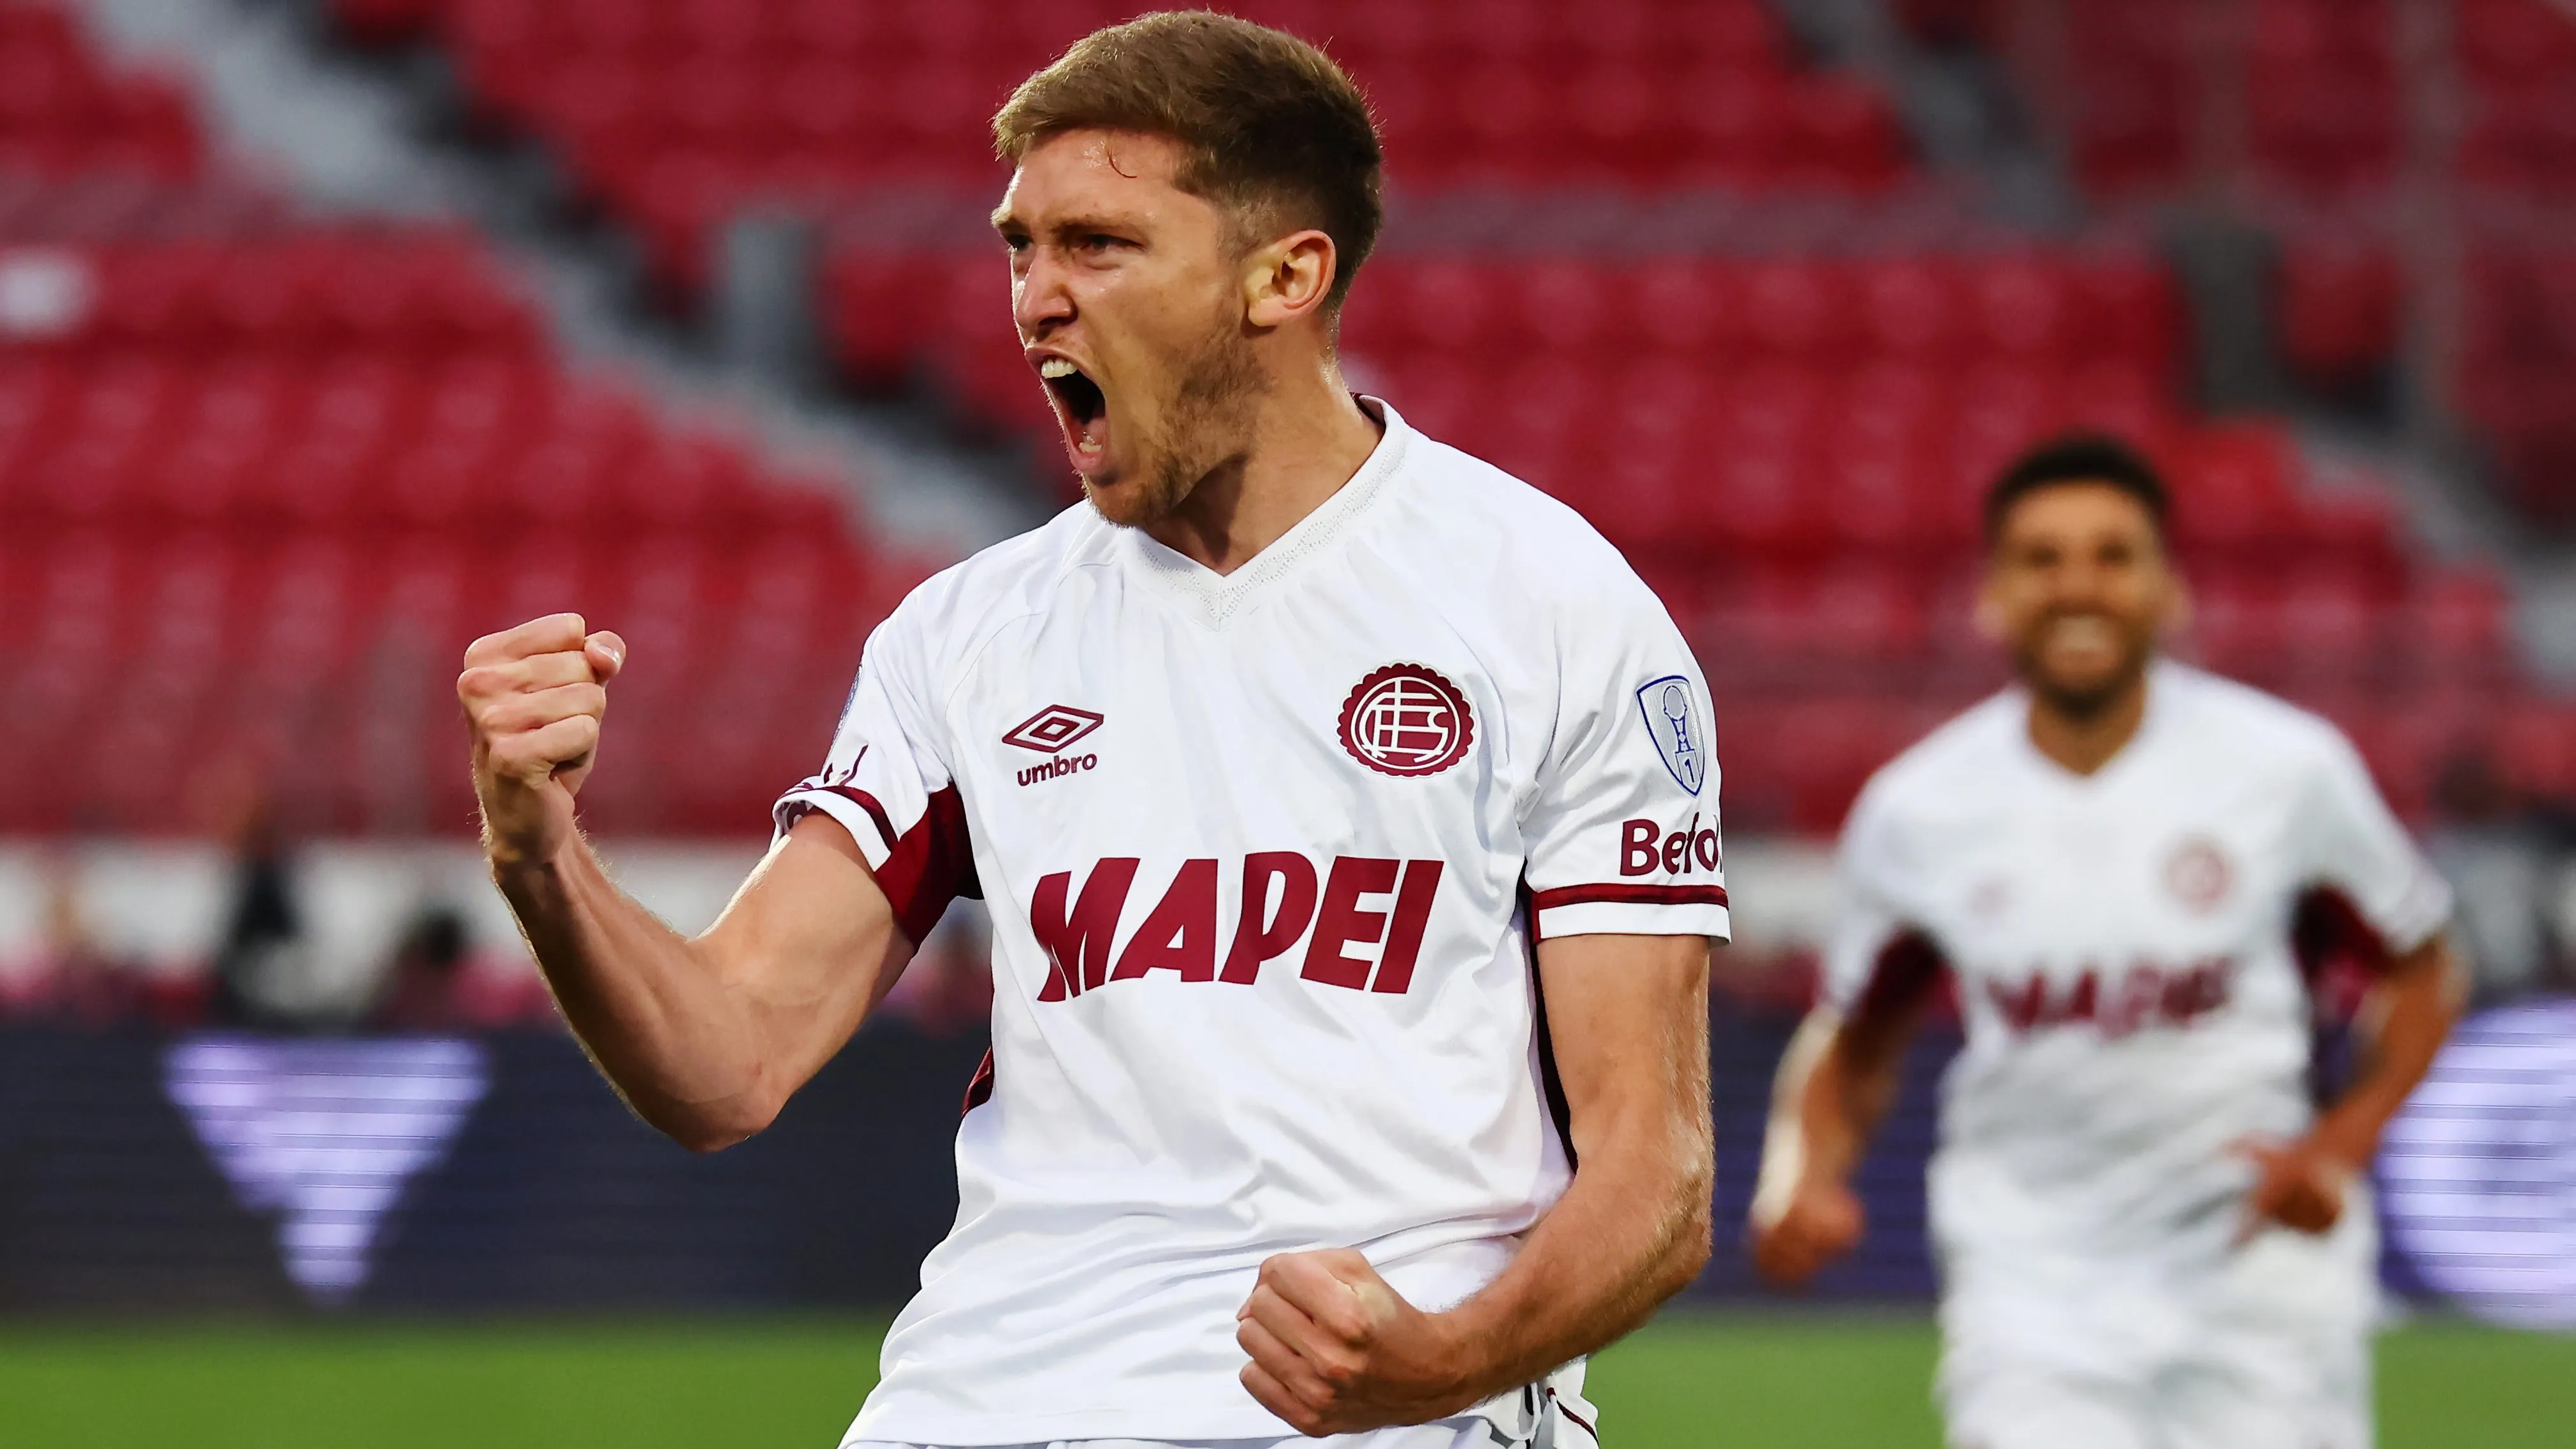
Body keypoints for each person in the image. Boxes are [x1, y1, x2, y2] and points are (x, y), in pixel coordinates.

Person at [457, 15, 1728, 1448]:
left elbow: (1655, 1173)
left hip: (1367, 1420)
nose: (1033, 299)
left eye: (1098, 246)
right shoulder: (968, 634)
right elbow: (725, 1063)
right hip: (983, 1401)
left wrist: (1440, 1361)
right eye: (1020, 245)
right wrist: (540, 857)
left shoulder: (1546, 603)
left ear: (1283, 277)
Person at [1748, 434, 2461, 1449]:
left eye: (2113, 556)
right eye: (2042, 559)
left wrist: (2342, 1146)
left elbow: (2425, 967)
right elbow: (1853, 1038)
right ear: (1993, 592)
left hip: (2259, 1277)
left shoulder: (2288, 772)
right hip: (2032, 1280)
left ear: (2168, 588)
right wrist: (1801, 1176)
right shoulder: (1920, 809)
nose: (2077, 585)